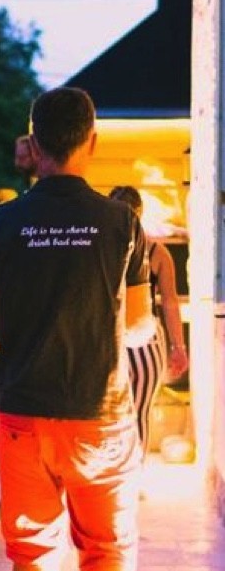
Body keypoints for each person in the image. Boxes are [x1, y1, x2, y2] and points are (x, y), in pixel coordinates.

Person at [0, 87, 155, 571]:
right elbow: (138, 325)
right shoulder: (121, 223)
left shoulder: (1, 223)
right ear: (92, 141)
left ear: (33, 145)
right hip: (99, 416)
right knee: (108, 550)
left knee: (32, 553)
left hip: (23, 414)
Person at [109, 186, 189, 457]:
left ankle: (125, 472)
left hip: (124, 337)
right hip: (141, 338)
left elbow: (170, 302)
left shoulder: (105, 251)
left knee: (126, 412)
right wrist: (178, 347)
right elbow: (170, 302)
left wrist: (178, 347)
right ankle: (129, 471)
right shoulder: (155, 251)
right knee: (134, 412)